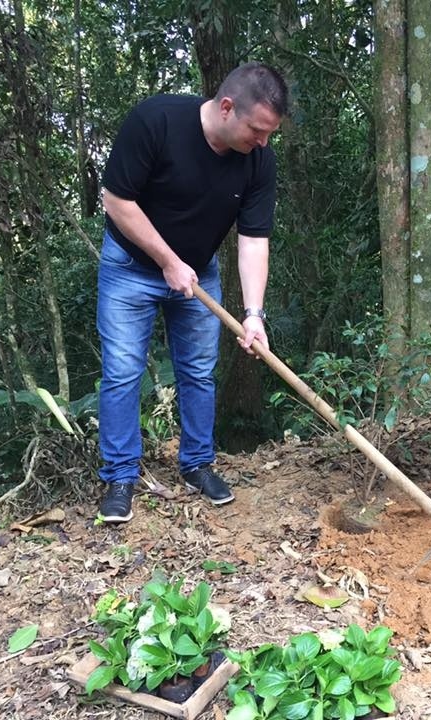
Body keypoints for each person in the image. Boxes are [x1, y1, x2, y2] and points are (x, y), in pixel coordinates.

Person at [96, 62, 288, 523]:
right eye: (257, 130)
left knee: (199, 372)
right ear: (227, 107)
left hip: (198, 273)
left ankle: (197, 464)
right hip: (130, 269)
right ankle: (121, 475)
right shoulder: (156, 121)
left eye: (269, 134)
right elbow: (116, 201)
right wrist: (167, 261)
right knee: (123, 372)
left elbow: (254, 239)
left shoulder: (259, 159)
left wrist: (254, 313)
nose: (262, 142)